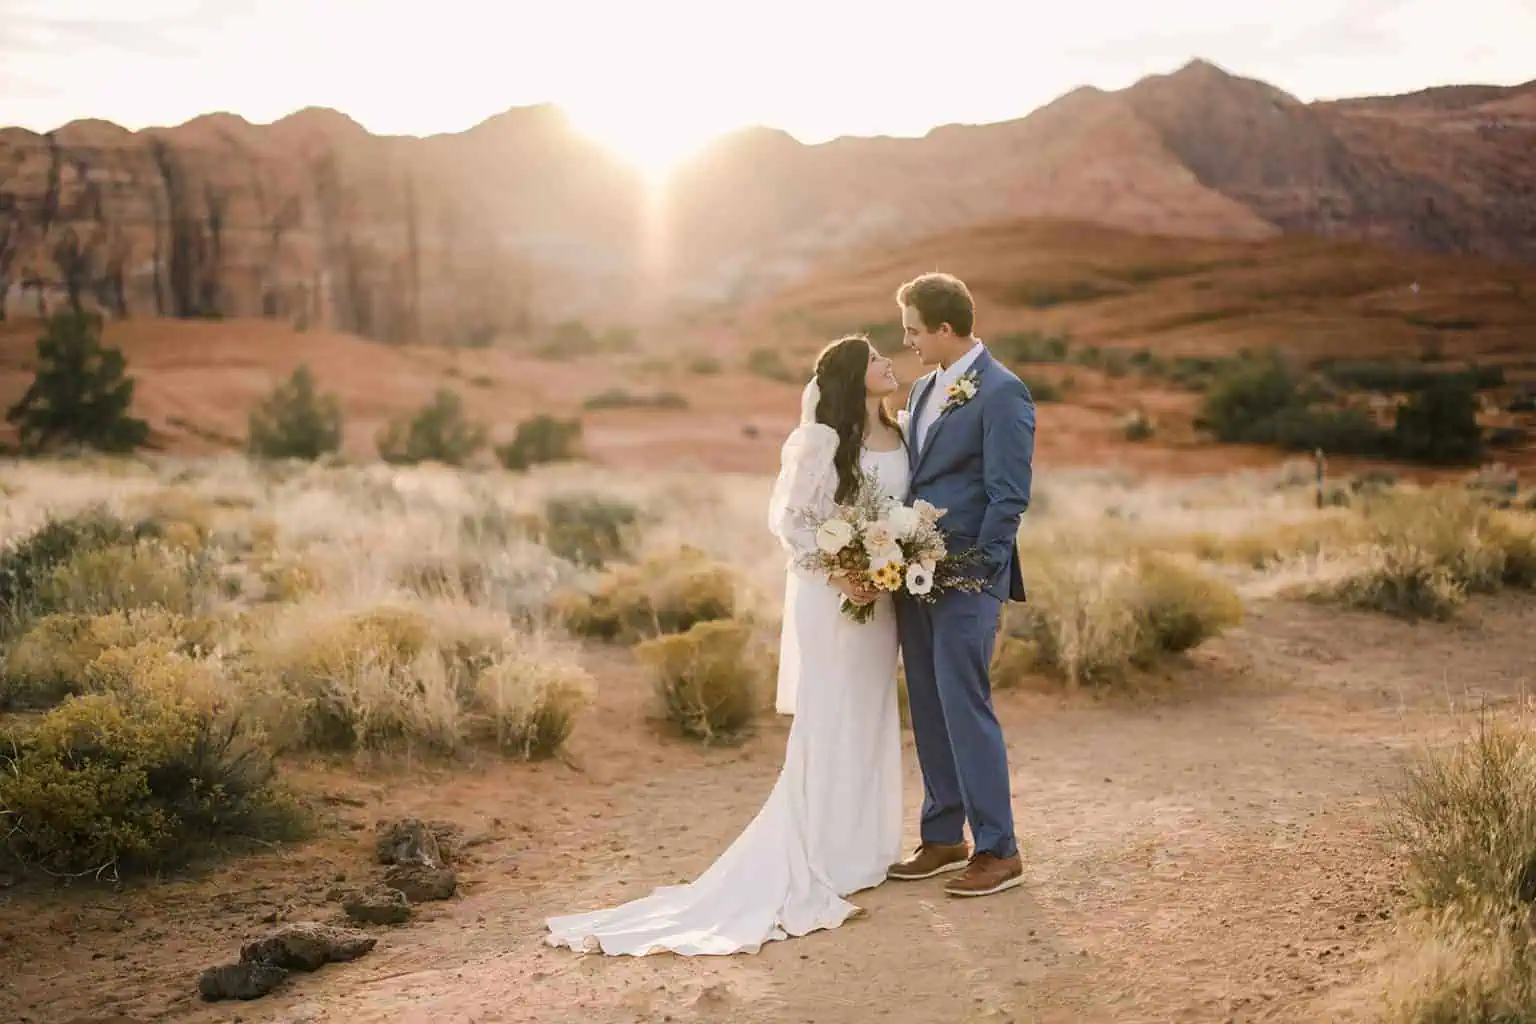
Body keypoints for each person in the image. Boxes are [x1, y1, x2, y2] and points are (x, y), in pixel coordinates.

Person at [544, 335, 908, 956]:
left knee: (871, 711)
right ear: (854, 377)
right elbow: (790, 522)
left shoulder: (901, 433)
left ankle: (864, 849)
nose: (888, 362)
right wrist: (841, 569)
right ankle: (820, 852)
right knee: (830, 715)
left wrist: (888, 561)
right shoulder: (820, 440)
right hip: (834, 597)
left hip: (884, 596)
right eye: (875, 358)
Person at [886, 271, 1035, 899]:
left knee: (964, 704)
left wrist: (978, 569)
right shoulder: (923, 389)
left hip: (968, 578)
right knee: (926, 702)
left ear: (946, 328)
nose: (909, 340)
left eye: (915, 330)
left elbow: (1009, 494)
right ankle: (944, 836)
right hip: (914, 575)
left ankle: (999, 848)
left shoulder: (1003, 393)